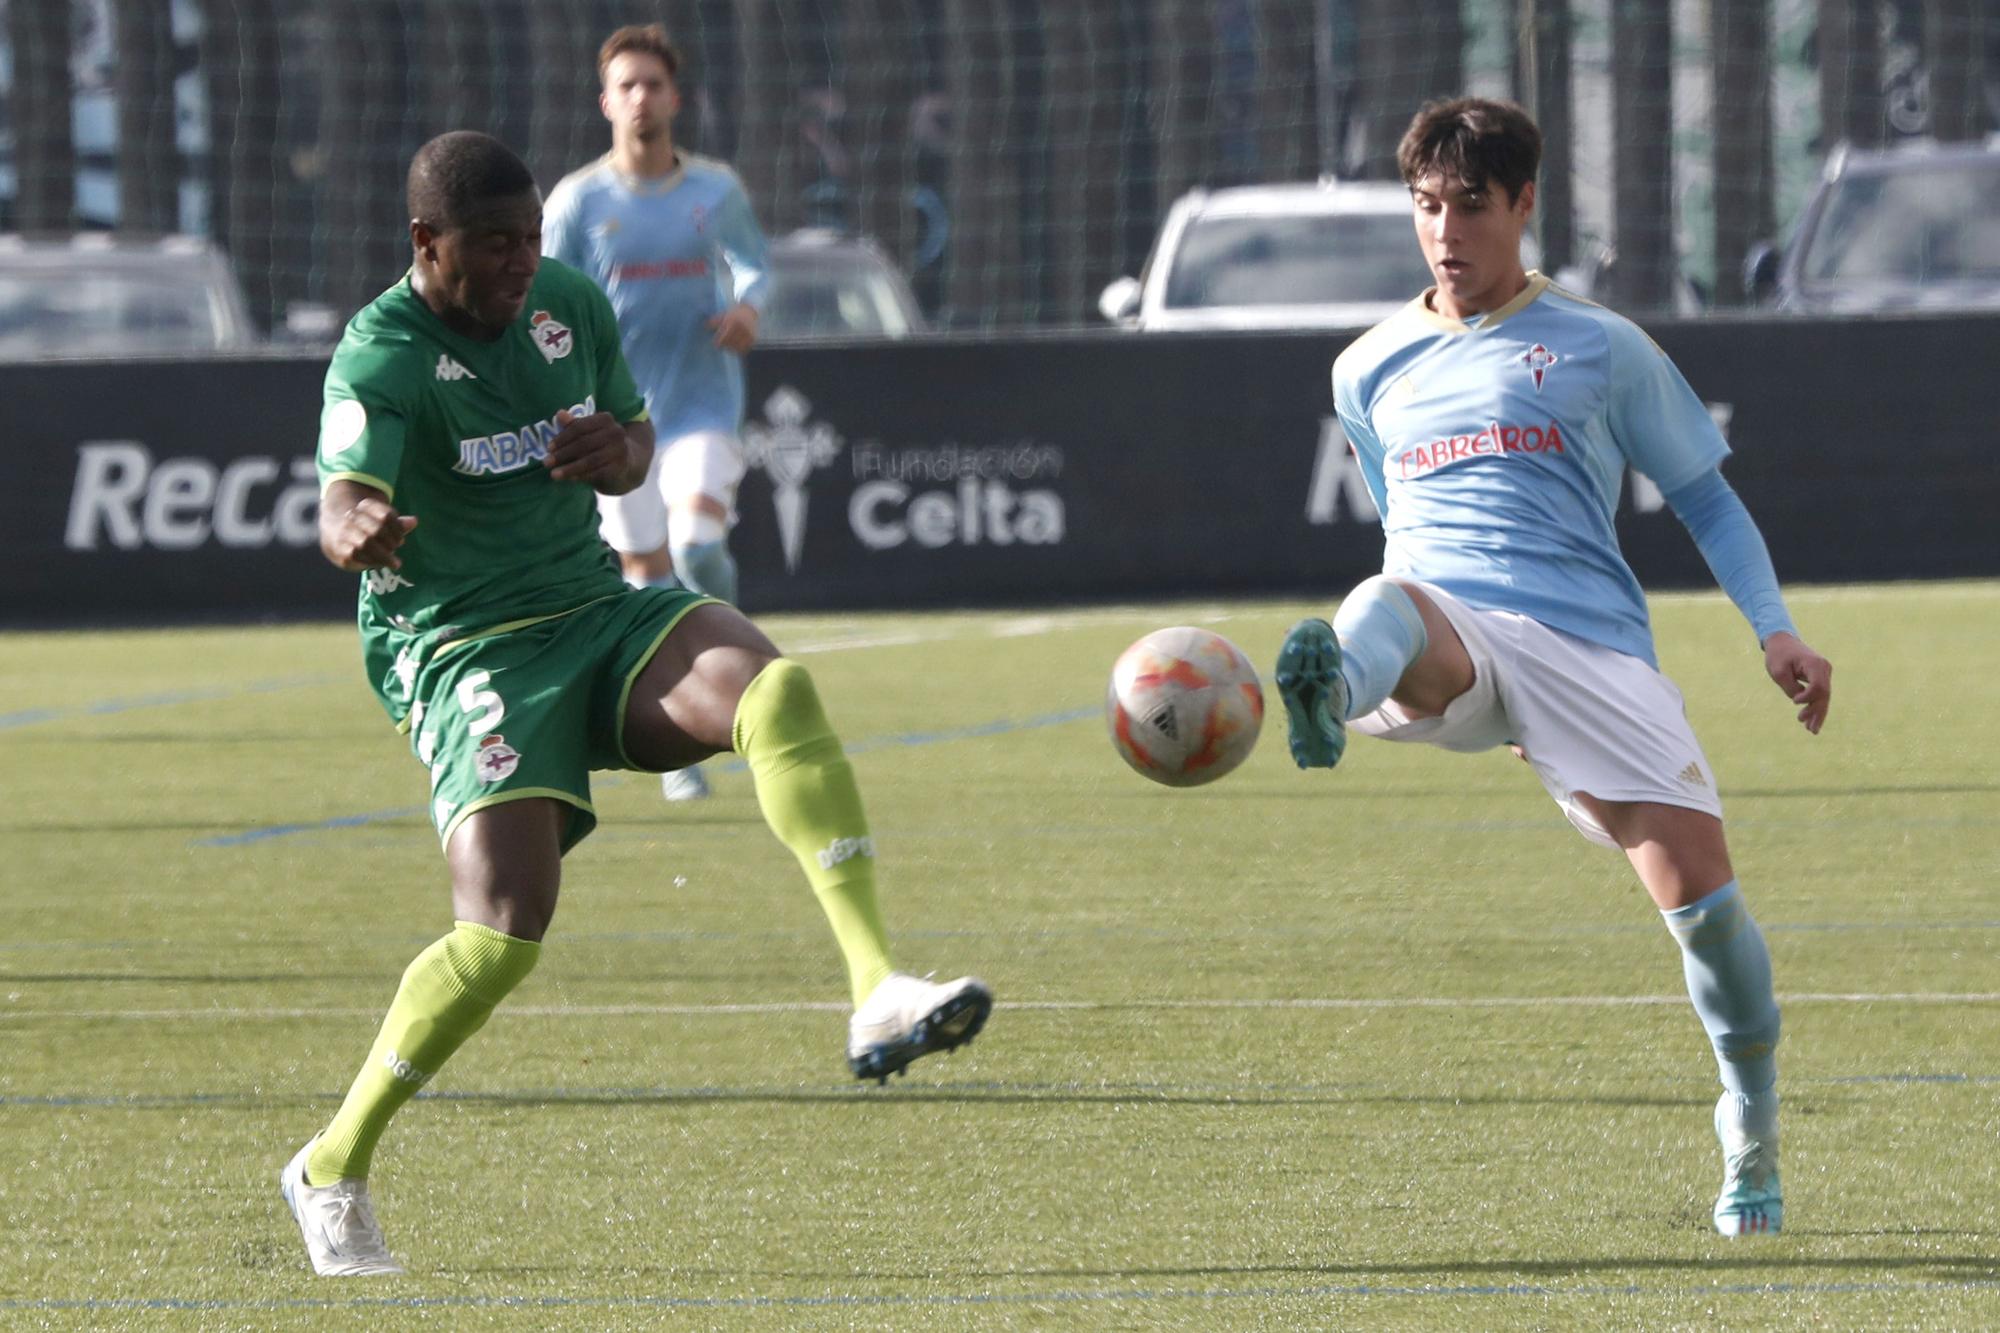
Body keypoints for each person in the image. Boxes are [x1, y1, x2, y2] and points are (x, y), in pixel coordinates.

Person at [282, 130, 990, 1278]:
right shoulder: (380, 355)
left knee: (775, 687)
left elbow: (633, 445)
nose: (523, 264)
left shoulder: (564, 303)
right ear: (427, 243)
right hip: (463, 649)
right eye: (495, 245)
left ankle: (873, 988)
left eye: (531, 240)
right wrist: (352, 528)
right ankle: (330, 1162)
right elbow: (341, 497)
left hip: (592, 607)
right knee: (504, 930)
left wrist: (619, 451)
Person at [1277, 97, 1832, 1238]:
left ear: (1523, 205)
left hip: (1584, 651)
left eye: (1469, 206)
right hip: (1444, 628)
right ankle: (1329, 687)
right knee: (1379, 599)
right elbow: (1399, 524)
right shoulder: (1365, 369)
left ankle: (1750, 1127)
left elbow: (1704, 499)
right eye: (1426, 206)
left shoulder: (1600, 345)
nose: (1445, 231)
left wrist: (1772, 629)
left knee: (1709, 919)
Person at [542, 22, 771, 803]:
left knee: (699, 546)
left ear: (675, 97)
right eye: (626, 85)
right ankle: (680, 745)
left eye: (653, 84)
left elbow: (755, 266)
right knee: (646, 583)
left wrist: (747, 306)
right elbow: (546, 299)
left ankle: (741, 675)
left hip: (703, 405)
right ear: (606, 102)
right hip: (617, 425)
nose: (641, 97)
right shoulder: (579, 201)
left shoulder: (716, 191)